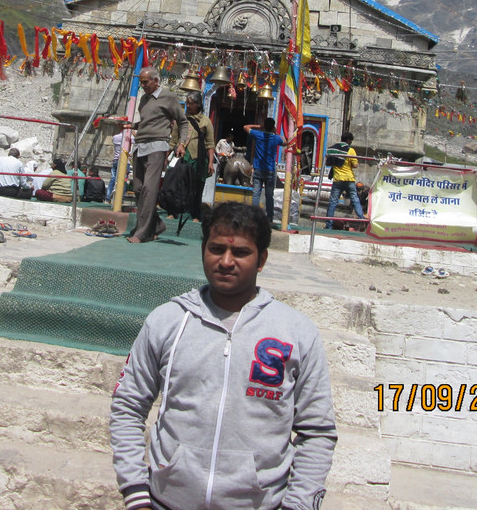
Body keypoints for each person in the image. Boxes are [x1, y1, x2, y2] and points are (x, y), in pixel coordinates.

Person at [110, 202, 337, 510]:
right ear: (203, 249)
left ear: (262, 259)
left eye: (241, 252)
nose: (226, 261)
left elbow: (317, 432)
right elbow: (127, 406)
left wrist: (297, 504)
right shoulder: (166, 322)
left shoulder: (297, 333)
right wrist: (136, 493)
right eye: (216, 249)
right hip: (166, 501)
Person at [129, 67, 189, 244]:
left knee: (149, 188)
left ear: (156, 81)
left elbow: (183, 121)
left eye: (146, 82)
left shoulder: (168, 97)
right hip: (140, 145)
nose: (143, 86)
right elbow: (148, 121)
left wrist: (181, 142)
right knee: (139, 188)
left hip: (158, 145)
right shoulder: (144, 99)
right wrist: (131, 126)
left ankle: (141, 232)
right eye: (141, 83)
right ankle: (156, 225)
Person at [173, 92, 214, 220]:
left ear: (198, 105)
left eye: (191, 103)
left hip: (199, 158)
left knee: (197, 187)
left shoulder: (206, 122)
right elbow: (173, 140)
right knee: (179, 185)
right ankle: (175, 212)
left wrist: (211, 162)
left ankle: (195, 214)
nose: (188, 105)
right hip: (183, 157)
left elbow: (210, 143)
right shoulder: (181, 120)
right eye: (187, 102)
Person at [243, 118, 285, 227]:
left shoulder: (258, 135)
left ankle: (254, 217)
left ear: (264, 126)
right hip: (270, 170)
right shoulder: (275, 138)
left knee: (256, 194)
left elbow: (245, 127)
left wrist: (259, 127)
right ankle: (269, 218)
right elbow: (286, 142)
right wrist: (274, 132)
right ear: (273, 127)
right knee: (269, 196)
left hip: (258, 169)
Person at [325, 131, 364, 230]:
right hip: (349, 179)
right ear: (348, 140)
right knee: (355, 200)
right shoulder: (350, 150)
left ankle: (329, 225)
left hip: (337, 180)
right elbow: (355, 165)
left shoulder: (332, 149)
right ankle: (362, 220)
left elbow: (328, 162)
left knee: (333, 202)